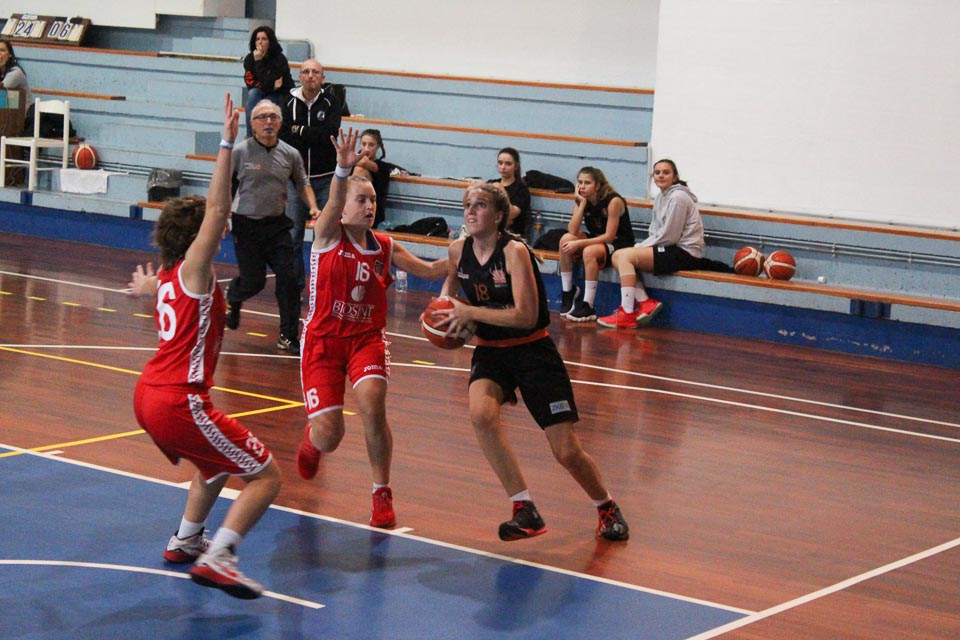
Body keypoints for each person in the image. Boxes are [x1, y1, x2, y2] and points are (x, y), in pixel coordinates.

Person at [131, 94, 282, 600]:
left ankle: (185, 540)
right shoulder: (194, 270)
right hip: (178, 399)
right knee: (266, 476)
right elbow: (218, 207)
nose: (223, 227)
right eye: (214, 227)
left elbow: (166, 289)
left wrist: (146, 289)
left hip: (150, 394)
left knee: (215, 465)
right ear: (197, 236)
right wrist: (226, 143)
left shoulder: (174, 275)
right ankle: (220, 556)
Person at [432, 183, 629, 542]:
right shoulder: (457, 250)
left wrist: (470, 312)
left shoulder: (514, 251)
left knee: (566, 450)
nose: (471, 211)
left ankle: (606, 506)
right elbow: (449, 294)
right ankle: (524, 508)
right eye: (467, 205)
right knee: (481, 415)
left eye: (480, 205)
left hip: (532, 350)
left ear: (499, 215)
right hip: (491, 350)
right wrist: (444, 319)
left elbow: (525, 316)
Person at [295, 128, 448, 528]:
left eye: (373, 200)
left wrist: (469, 250)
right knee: (331, 434)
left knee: (373, 406)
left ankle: (382, 492)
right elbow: (332, 203)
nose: (369, 206)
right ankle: (314, 442)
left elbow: (432, 270)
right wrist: (342, 171)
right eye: (361, 200)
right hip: (323, 342)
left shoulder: (385, 246)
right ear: (343, 209)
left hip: (366, 339)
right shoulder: (328, 235)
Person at [226, 99, 321, 354]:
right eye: (262, 117)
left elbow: (302, 184)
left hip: (277, 226)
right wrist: (222, 215)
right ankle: (234, 295)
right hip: (246, 225)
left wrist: (313, 207)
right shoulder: (240, 152)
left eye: (273, 117)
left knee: (289, 280)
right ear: (252, 124)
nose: (268, 121)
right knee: (254, 282)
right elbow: (225, 184)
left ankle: (288, 337)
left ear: (280, 123)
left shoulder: (290, 154)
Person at [597, 159, 733, 329]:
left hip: (683, 252)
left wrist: (640, 248)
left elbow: (670, 236)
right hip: (670, 248)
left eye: (666, 172)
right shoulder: (662, 197)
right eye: (657, 172)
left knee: (625, 257)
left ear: (675, 177)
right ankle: (645, 302)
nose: (661, 175)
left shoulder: (678, 197)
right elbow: (656, 232)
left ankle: (627, 312)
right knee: (617, 255)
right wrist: (641, 247)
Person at [279, 58, 342, 292]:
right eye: (305, 71)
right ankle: (295, 289)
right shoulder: (287, 102)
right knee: (293, 236)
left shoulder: (332, 102)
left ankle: (323, 288)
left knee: (325, 236)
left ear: (322, 78)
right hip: (296, 181)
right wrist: (310, 133)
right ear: (299, 76)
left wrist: (300, 130)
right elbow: (284, 136)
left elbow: (329, 136)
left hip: (325, 179)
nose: (310, 76)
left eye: (315, 72)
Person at [557, 167, 634, 322]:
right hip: (597, 238)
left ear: (597, 186)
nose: (582, 186)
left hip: (619, 242)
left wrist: (581, 243)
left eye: (587, 183)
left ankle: (588, 305)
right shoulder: (582, 199)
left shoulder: (613, 201)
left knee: (589, 251)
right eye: (580, 182)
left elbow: (609, 236)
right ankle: (568, 291)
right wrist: (581, 204)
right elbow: (572, 230)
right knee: (565, 239)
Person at [242, 26, 294, 135]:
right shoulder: (249, 59)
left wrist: (259, 62)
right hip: (263, 91)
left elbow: (271, 84)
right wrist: (270, 86)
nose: (260, 42)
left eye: (264, 39)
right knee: (253, 94)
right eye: (257, 39)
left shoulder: (279, 59)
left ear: (270, 42)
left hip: (281, 93)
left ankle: (265, 136)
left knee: (265, 104)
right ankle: (251, 135)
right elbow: (250, 83)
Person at [352, 128, 405, 229]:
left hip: (373, 213)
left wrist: (349, 159)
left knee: (360, 170)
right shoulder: (353, 165)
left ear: (378, 146)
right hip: (353, 210)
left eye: (371, 145)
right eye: (363, 144)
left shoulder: (382, 168)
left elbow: (364, 163)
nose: (366, 149)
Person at [485, 147, 531, 238]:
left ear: (516, 166)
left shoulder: (522, 189)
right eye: (500, 163)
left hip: (511, 234)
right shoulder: (491, 183)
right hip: (489, 230)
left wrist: (501, 190)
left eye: (508, 164)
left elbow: (511, 214)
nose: (503, 167)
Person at [0, 39, 31, 107]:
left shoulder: (16, 72)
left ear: (10, 54)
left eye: (2, 50)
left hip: (21, 112)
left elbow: (1, 89)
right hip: (8, 109)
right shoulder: (1, 72)